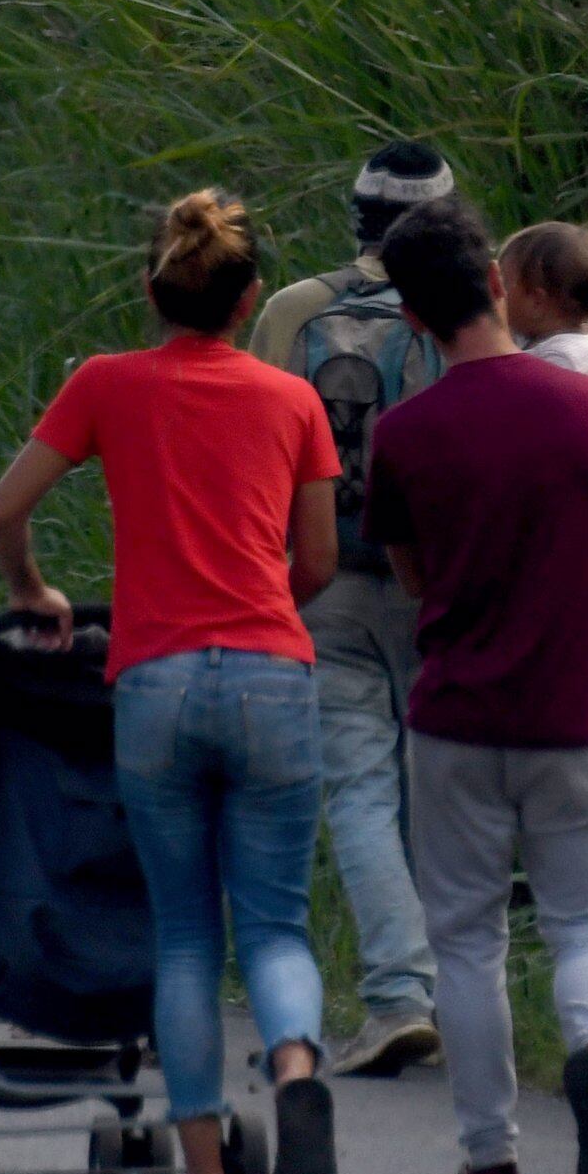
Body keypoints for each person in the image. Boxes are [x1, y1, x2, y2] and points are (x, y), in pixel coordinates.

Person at [0, 190, 343, 1174]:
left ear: (150, 292)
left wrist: (30, 591)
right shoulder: (291, 401)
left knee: (185, 935)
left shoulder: (106, 384)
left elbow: (7, 508)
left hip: (157, 683)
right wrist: (266, 606)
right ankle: (294, 1066)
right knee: (275, 923)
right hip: (274, 674)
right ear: (253, 298)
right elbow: (316, 560)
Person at [366, 196, 588, 1174]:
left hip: (458, 717)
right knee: (587, 918)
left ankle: (490, 1166)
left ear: (410, 320)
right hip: (580, 711)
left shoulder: (403, 435)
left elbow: (409, 577)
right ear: (497, 283)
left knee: (468, 942)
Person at [248, 140, 455, 1077]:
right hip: (436, 579)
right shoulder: (461, 311)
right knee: (437, 782)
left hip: (322, 572)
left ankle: (397, 997)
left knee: (361, 788)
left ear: (357, 218)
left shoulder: (298, 309)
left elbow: (251, 447)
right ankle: (463, 994)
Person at [498, 221, 588, 378]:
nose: (495, 291)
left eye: (503, 282)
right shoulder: (538, 329)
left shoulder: (562, 360)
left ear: (536, 302)